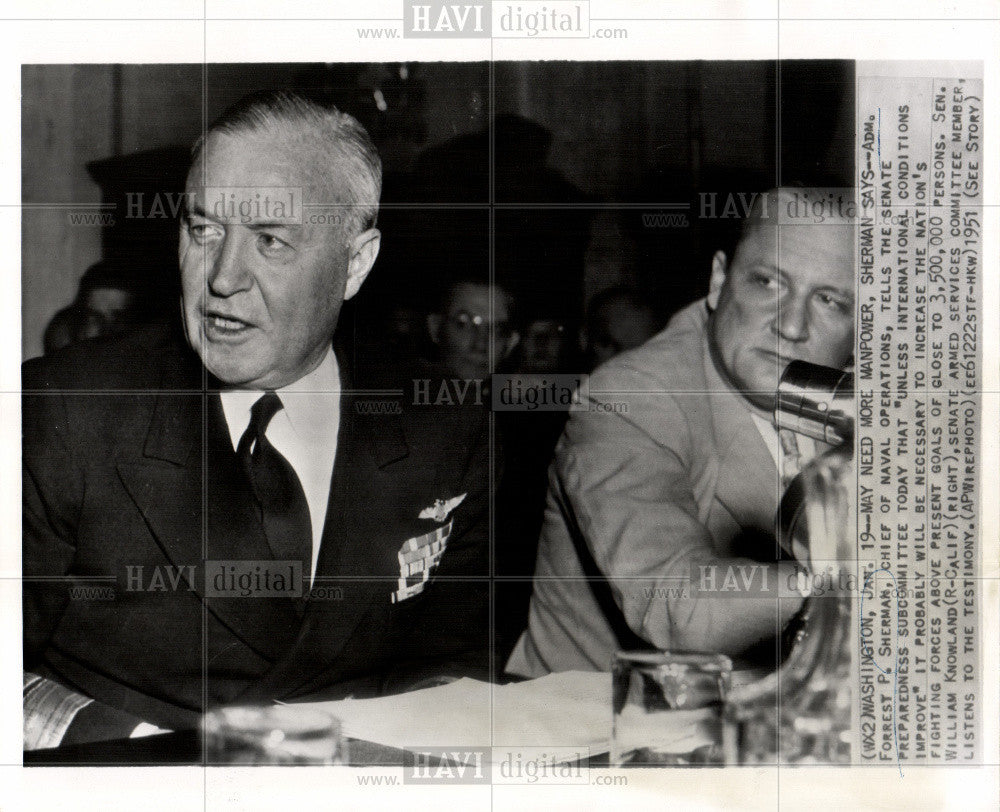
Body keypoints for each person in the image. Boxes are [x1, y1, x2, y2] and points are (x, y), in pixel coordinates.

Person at [23, 91, 492, 749]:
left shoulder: (445, 425)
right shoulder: (64, 412)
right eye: (203, 229)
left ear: (356, 263)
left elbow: (451, 665)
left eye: (270, 240)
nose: (221, 278)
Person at [506, 187, 855, 677]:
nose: (792, 326)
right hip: (597, 728)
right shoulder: (631, 396)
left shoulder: (855, 393)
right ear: (718, 280)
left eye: (829, 300)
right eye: (768, 282)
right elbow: (681, 603)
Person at [582, 285, 663, 369]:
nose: (622, 362)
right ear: (584, 339)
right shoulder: (571, 380)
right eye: (606, 343)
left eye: (636, 352)